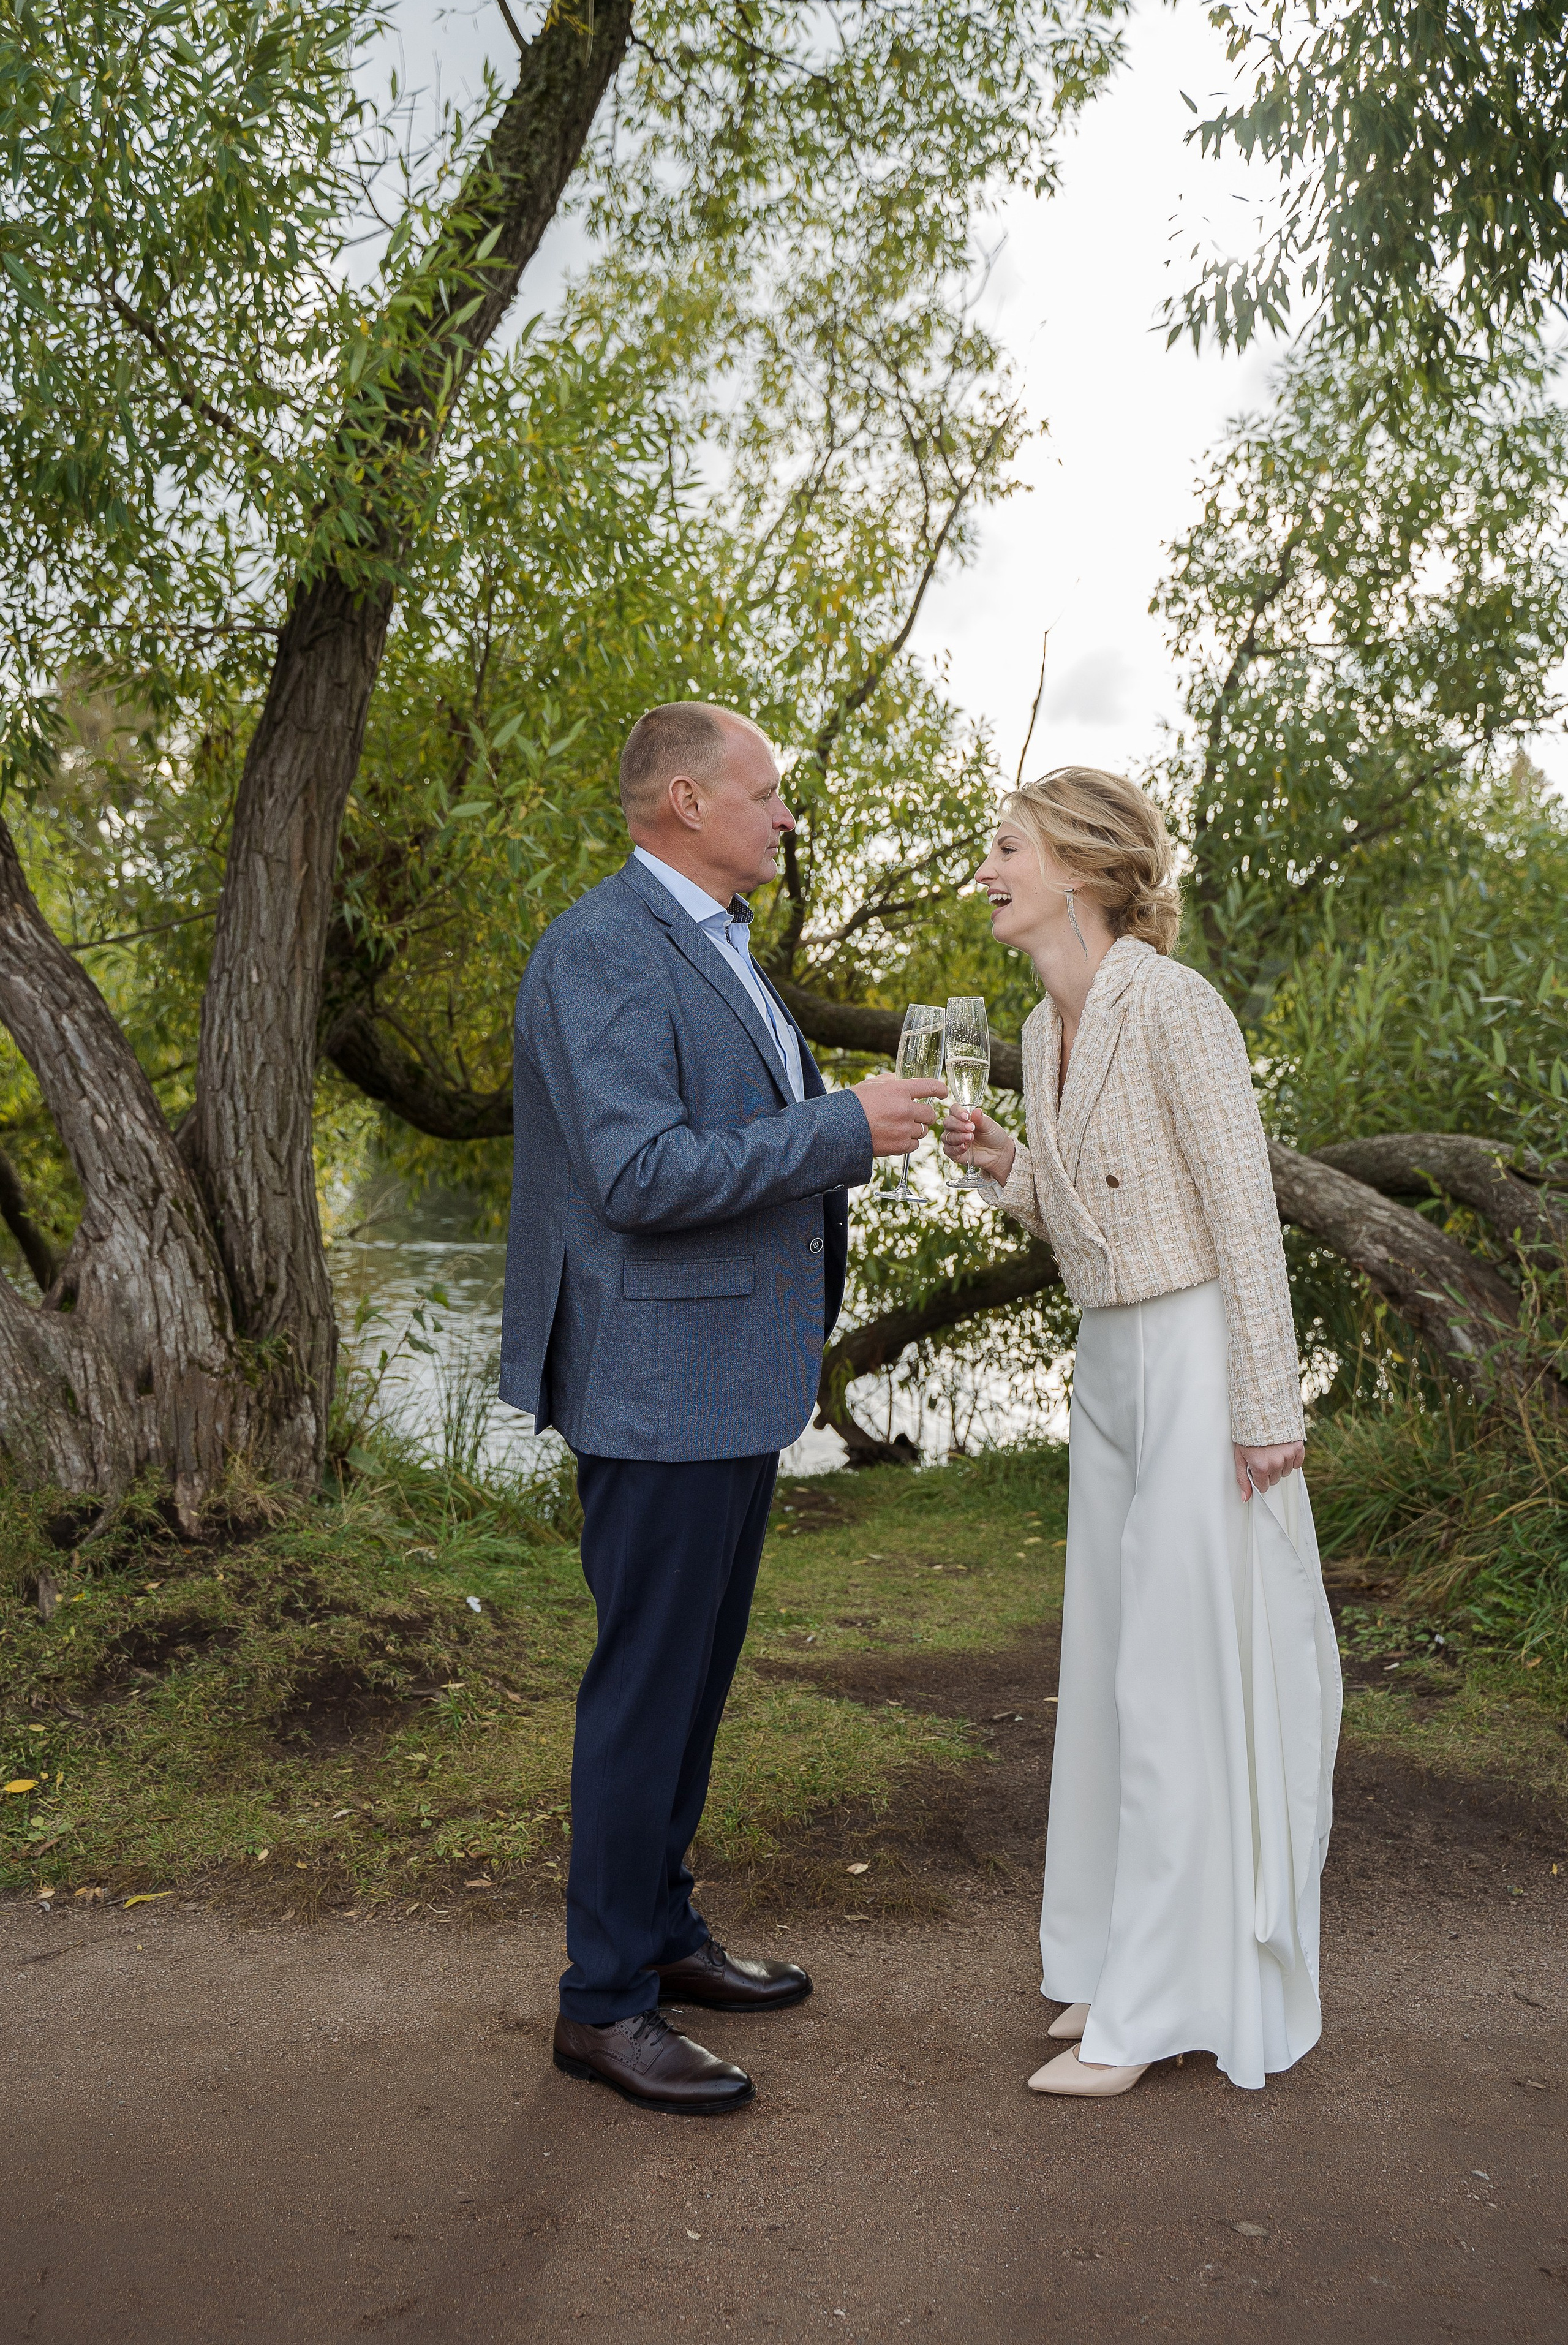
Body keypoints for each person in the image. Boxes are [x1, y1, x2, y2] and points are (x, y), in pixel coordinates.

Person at [500, 701, 945, 2115]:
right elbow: (637, 1175)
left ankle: (661, 1933)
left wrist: (843, 1127)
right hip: (653, 1381)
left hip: (726, 1377)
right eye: (766, 793)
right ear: (684, 801)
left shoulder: (718, 941)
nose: (785, 815)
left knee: (690, 1684)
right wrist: (840, 1125)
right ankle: (600, 2005)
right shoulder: (601, 950)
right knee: (646, 1690)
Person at [942, 767, 1341, 2098]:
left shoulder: (1175, 1005)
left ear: (1079, 865)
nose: (987, 869)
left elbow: (1241, 1217)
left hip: (1192, 1354)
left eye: (1006, 847)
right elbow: (1093, 1217)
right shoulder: (1040, 1022)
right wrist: (1008, 1167)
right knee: (1114, 1667)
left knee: (1173, 1680)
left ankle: (1162, 2005)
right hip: (1110, 1361)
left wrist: (1264, 1408)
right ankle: (1115, 1962)